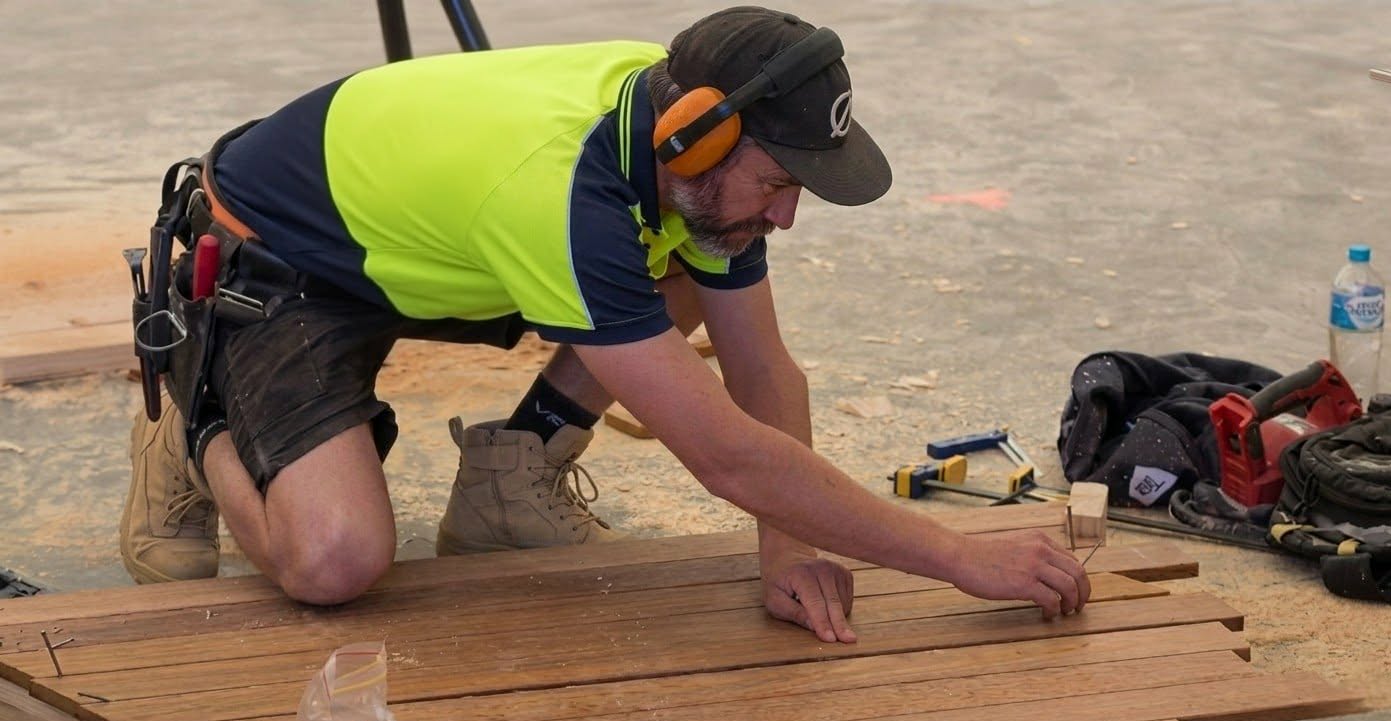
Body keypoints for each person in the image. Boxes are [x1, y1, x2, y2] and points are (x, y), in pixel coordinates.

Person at [121, 6, 1090, 643]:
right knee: (334, 560)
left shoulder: (677, 136)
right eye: (778, 183)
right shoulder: (562, 192)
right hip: (277, 259)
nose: (788, 215)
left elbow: (763, 371)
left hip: (430, 245)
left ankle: (509, 479)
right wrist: (956, 556)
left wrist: (788, 549)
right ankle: (196, 428)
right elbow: (728, 455)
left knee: (690, 263)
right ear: (698, 137)